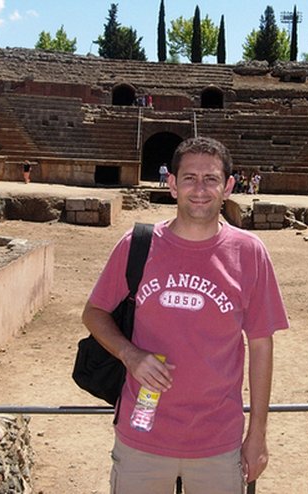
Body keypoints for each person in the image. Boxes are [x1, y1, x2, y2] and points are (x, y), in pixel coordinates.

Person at [82, 136, 289, 494]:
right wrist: (130, 355)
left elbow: (260, 347)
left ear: (228, 186)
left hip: (218, 444)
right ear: (172, 183)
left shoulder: (249, 253)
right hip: (141, 438)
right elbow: (94, 312)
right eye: (189, 177)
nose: (200, 189)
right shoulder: (137, 245)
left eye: (211, 179)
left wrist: (257, 435)